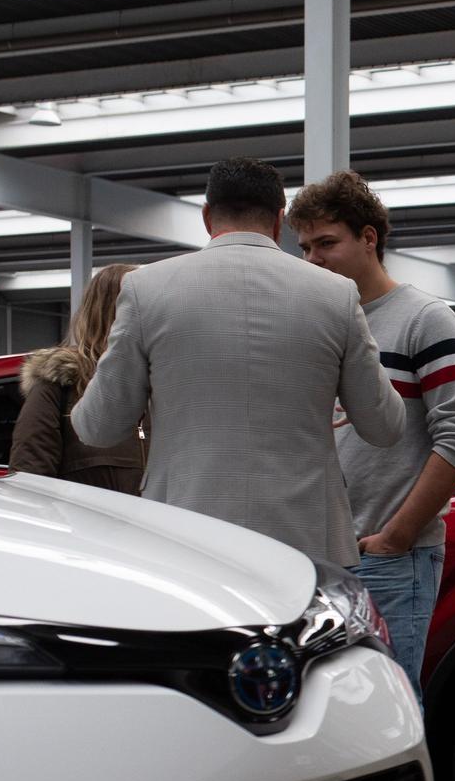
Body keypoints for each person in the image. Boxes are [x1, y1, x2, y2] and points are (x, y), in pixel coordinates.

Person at [72, 157, 405, 567]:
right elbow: (385, 426)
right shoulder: (336, 294)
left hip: (184, 538)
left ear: (208, 215)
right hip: (305, 544)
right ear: (280, 219)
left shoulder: (145, 288)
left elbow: (97, 426)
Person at [289, 170, 455, 695]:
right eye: (305, 247)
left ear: (369, 238)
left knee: (389, 704)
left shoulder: (425, 319)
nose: (313, 259)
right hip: (323, 555)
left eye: (327, 243)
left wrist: (396, 538)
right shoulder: (322, 321)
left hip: (389, 557)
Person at [8, 264, 147, 493]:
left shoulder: (163, 385)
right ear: (115, 313)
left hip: (168, 527)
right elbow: (29, 482)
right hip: (89, 527)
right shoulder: (58, 388)